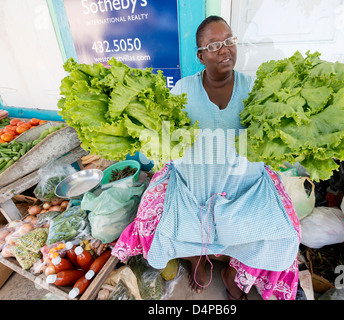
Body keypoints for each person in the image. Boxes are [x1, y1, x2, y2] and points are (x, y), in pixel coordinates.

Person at [112, 15, 301, 300]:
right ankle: (195, 259)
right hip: (193, 185)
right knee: (151, 223)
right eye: (214, 45)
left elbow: (276, 138)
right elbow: (168, 141)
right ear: (201, 55)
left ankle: (234, 272)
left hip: (244, 187)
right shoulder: (182, 91)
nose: (225, 49)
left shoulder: (257, 90)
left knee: (285, 235)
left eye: (229, 41)